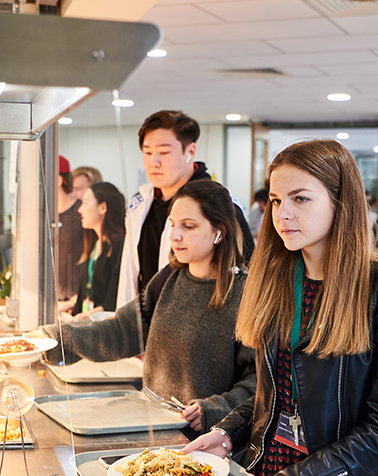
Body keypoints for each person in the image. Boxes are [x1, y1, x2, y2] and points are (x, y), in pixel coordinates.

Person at [182, 140, 378, 476]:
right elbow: (277, 395)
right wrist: (228, 434)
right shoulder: (277, 278)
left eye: (300, 198)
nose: (282, 214)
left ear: (341, 204)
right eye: (276, 200)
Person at [39, 180, 256, 436]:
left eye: (188, 226)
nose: (175, 236)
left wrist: (217, 408)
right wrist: (59, 339)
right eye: (173, 225)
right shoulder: (167, 279)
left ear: (220, 231)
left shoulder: (245, 295)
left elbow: (259, 381)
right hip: (153, 431)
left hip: (205, 446)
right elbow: (122, 331)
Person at [116, 110, 255, 308]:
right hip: (146, 327)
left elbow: (247, 275)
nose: (153, 162)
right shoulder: (140, 205)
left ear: (190, 152)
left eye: (164, 152)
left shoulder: (221, 205)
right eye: (147, 152)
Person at [58, 182, 125, 318]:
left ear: (103, 207)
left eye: (85, 203)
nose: (80, 210)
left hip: (103, 325)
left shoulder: (119, 246)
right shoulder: (94, 244)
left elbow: (114, 300)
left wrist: (88, 315)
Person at [56, 155, 84, 302]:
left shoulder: (82, 211)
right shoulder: (45, 215)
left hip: (75, 301)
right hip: (51, 299)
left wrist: (79, 298)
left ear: (59, 180)